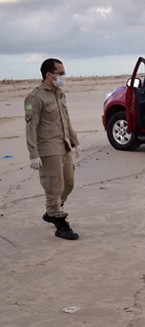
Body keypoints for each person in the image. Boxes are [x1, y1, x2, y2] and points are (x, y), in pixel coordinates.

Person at [25, 58, 81, 240]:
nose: (63, 77)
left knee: (69, 182)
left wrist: (75, 141)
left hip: (64, 145)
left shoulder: (60, 94)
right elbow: (30, 126)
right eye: (60, 73)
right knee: (54, 185)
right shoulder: (35, 98)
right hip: (48, 149)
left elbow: (66, 119)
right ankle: (59, 220)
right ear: (49, 75)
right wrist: (33, 154)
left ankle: (52, 210)